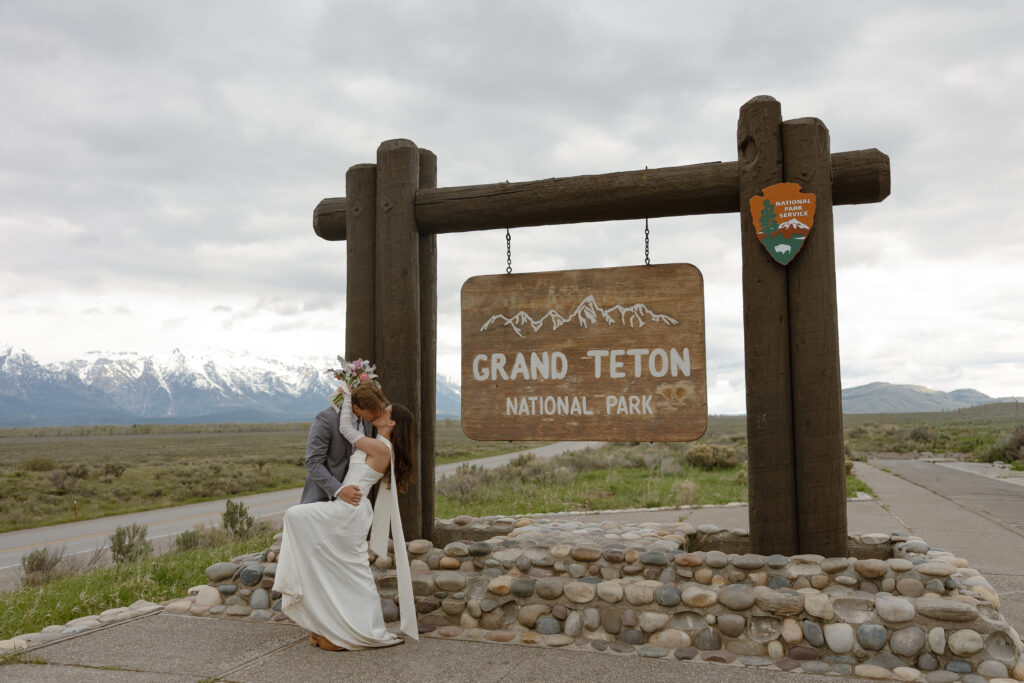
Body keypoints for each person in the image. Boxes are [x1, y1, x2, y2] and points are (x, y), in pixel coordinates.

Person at [273, 387, 418, 650]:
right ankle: (325, 625)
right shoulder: (378, 442)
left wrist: (348, 398)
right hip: (349, 507)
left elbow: (347, 432)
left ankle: (350, 628)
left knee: (296, 518)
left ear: (392, 422)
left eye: (386, 411)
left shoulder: (378, 446)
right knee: (342, 570)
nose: (382, 410)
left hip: (348, 509)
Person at [299, 383, 389, 505]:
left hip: (355, 503)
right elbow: (313, 463)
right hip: (323, 500)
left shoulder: (368, 421)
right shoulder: (325, 419)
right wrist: (339, 490)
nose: (378, 416)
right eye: (374, 412)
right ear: (356, 408)